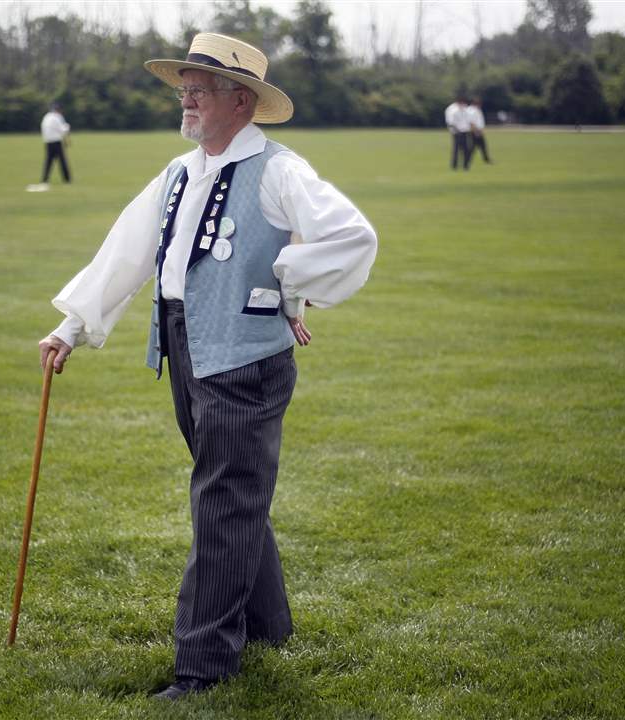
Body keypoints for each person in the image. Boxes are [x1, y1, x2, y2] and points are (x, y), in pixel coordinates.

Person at [36, 33, 377, 700]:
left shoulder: (279, 170)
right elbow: (127, 254)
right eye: (186, 84)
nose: (186, 95)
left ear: (240, 100)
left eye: (202, 85)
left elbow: (350, 237)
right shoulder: (178, 171)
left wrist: (287, 284)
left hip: (246, 361)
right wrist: (71, 327)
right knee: (233, 494)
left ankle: (202, 669)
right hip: (186, 348)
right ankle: (268, 625)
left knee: (222, 503)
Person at [28, 102, 70, 192]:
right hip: (56, 141)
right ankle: (67, 179)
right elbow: (63, 130)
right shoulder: (57, 117)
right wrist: (67, 128)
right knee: (62, 161)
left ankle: (45, 179)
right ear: (58, 110)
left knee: (48, 161)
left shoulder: (46, 117)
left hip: (47, 142)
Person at [444, 94, 472, 171]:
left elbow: (468, 120)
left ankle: (465, 165)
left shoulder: (464, 109)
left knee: (466, 149)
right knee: (456, 150)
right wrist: (457, 131)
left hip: (465, 131)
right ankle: (454, 166)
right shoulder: (453, 110)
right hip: (457, 132)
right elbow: (451, 122)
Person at [466, 98, 493, 165]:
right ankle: (467, 160)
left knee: (482, 146)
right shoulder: (471, 111)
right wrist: (476, 131)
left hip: (478, 131)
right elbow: (471, 122)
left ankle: (486, 159)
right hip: (475, 131)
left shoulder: (476, 110)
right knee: (472, 148)